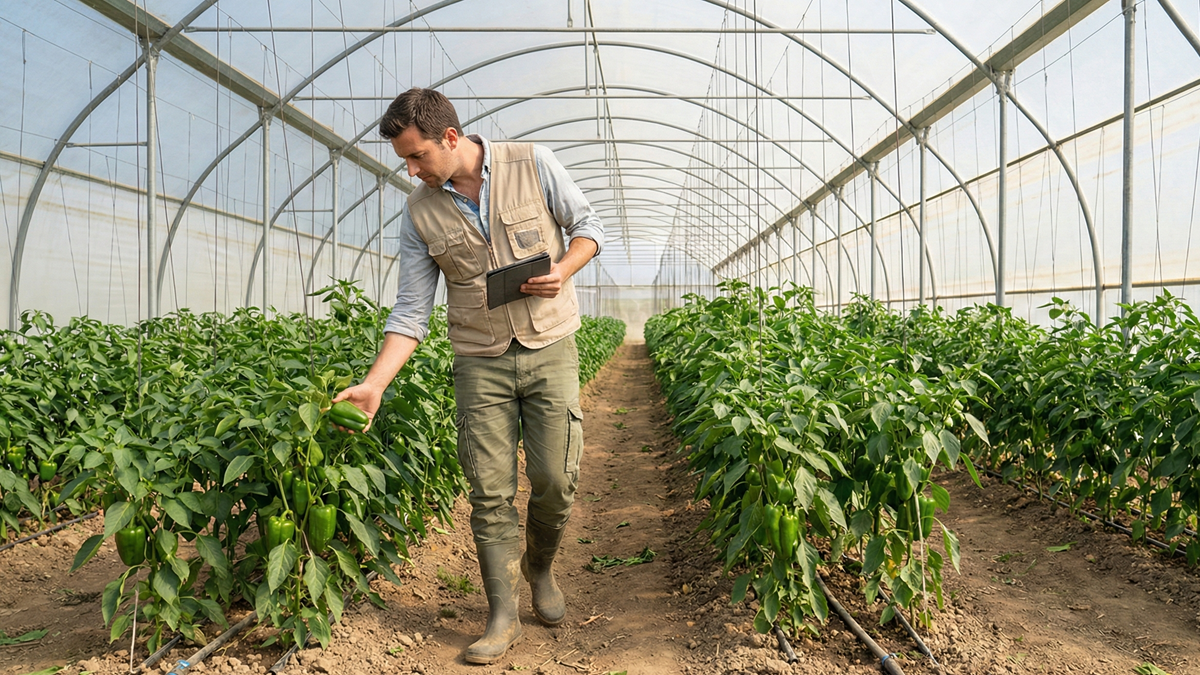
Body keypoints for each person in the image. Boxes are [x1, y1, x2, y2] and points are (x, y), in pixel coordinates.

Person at [332, 87, 602, 665]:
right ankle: (502, 613)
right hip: (479, 358)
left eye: (416, 156)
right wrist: (375, 384)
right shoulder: (419, 211)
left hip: (550, 342)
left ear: (450, 138)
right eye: (404, 160)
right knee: (489, 489)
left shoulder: (533, 162)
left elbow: (587, 227)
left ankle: (541, 567)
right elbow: (410, 310)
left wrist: (562, 269)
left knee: (556, 478)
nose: (411, 169)